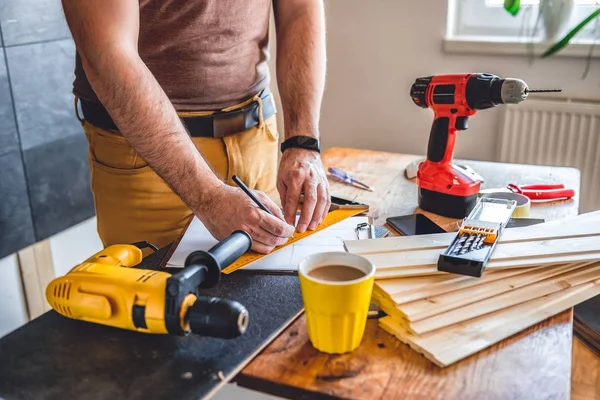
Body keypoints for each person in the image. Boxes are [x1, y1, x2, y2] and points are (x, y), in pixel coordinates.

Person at [60, 0, 331, 254]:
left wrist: (302, 142)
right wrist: (209, 198)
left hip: (257, 138)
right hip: (148, 154)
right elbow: (108, 54)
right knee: (163, 296)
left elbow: (299, 9)